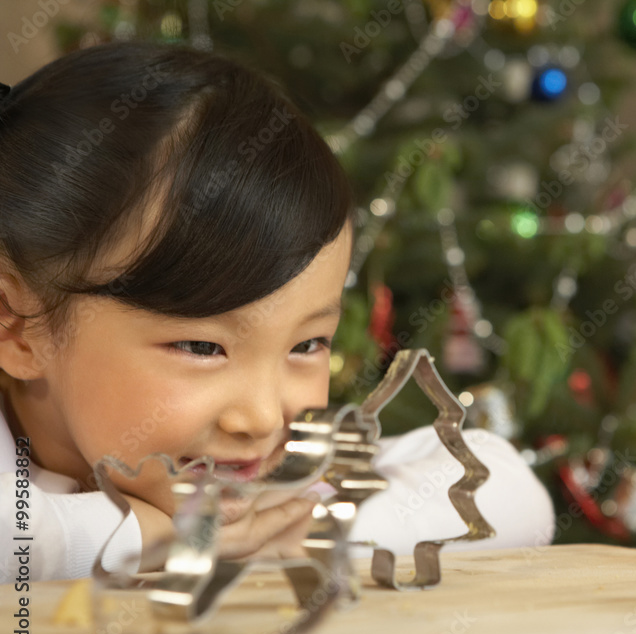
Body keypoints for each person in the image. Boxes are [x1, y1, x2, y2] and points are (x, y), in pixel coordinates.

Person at [0, 42, 554, 583]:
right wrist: (146, 539)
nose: (264, 420)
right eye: (201, 347)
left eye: (307, 345)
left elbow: (509, 493)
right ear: (18, 326)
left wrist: (303, 530)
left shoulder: (266, 489)